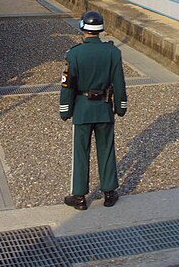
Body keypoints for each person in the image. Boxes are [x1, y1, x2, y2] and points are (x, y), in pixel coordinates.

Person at [60, 11, 127, 210]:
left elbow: (67, 85)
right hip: (104, 108)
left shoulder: (73, 54)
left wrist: (65, 109)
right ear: (101, 29)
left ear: (83, 28)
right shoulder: (113, 53)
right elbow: (119, 83)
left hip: (82, 108)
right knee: (106, 150)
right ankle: (109, 192)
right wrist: (121, 106)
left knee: (81, 152)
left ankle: (79, 196)